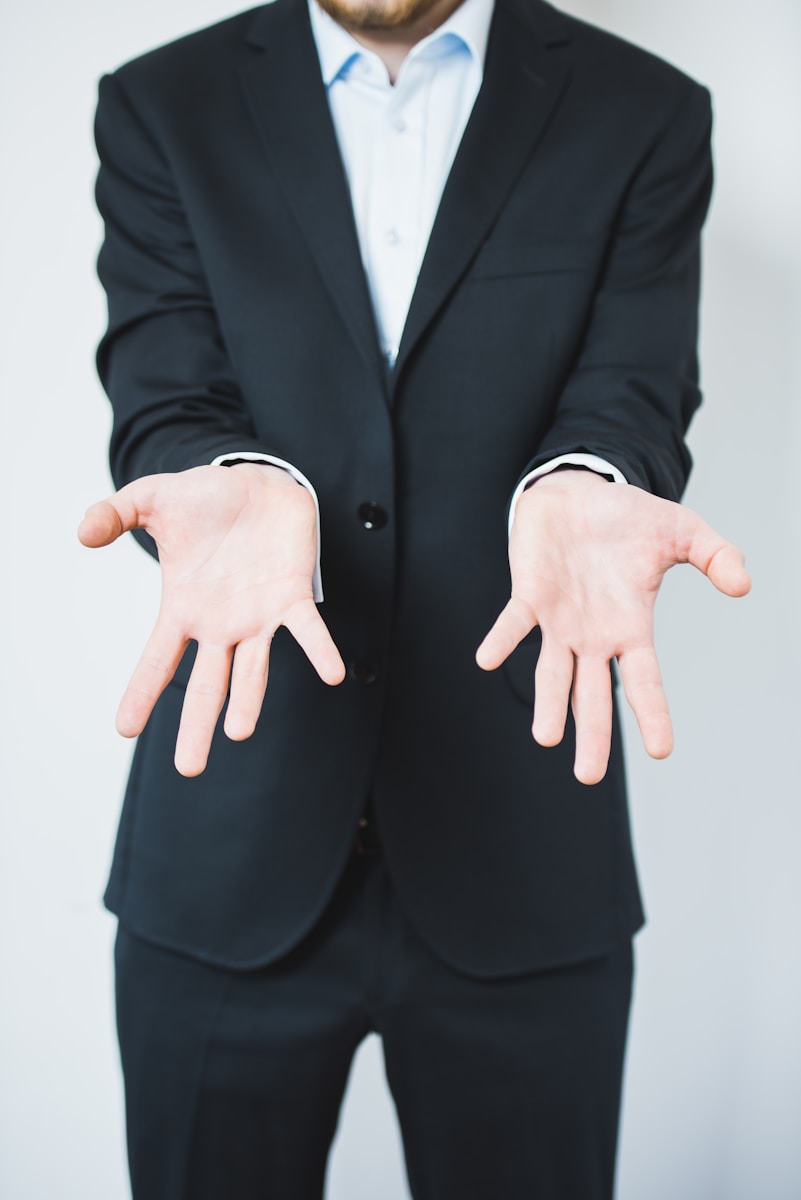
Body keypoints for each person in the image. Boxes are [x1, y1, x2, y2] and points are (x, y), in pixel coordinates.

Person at [79, 0, 751, 1195]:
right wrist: (237, 476)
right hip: (231, 853)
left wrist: (587, 477)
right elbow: (166, 393)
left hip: (525, 857)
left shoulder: (645, 113)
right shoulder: (160, 104)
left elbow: (633, 398)